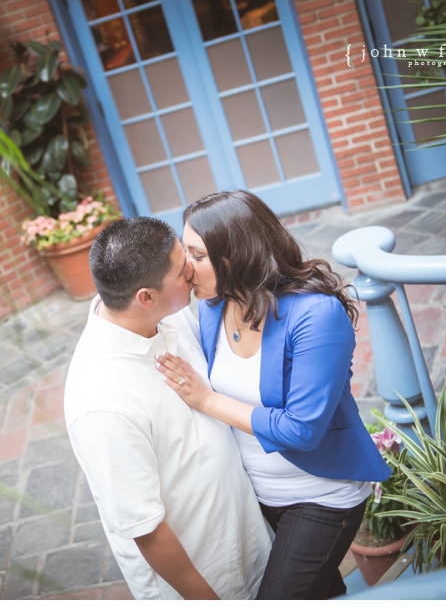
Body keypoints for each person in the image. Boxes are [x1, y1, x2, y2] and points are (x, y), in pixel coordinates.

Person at [154, 190, 391, 600]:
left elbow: (301, 430)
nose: (186, 270)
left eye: (197, 255)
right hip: (257, 498)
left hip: (321, 496)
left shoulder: (315, 315)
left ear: (236, 257)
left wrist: (207, 400)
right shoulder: (212, 307)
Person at [64, 217, 271, 600]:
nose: (192, 270)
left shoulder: (167, 311)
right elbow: (145, 528)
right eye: (182, 269)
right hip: (205, 578)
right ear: (146, 296)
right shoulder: (102, 403)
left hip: (252, 540)